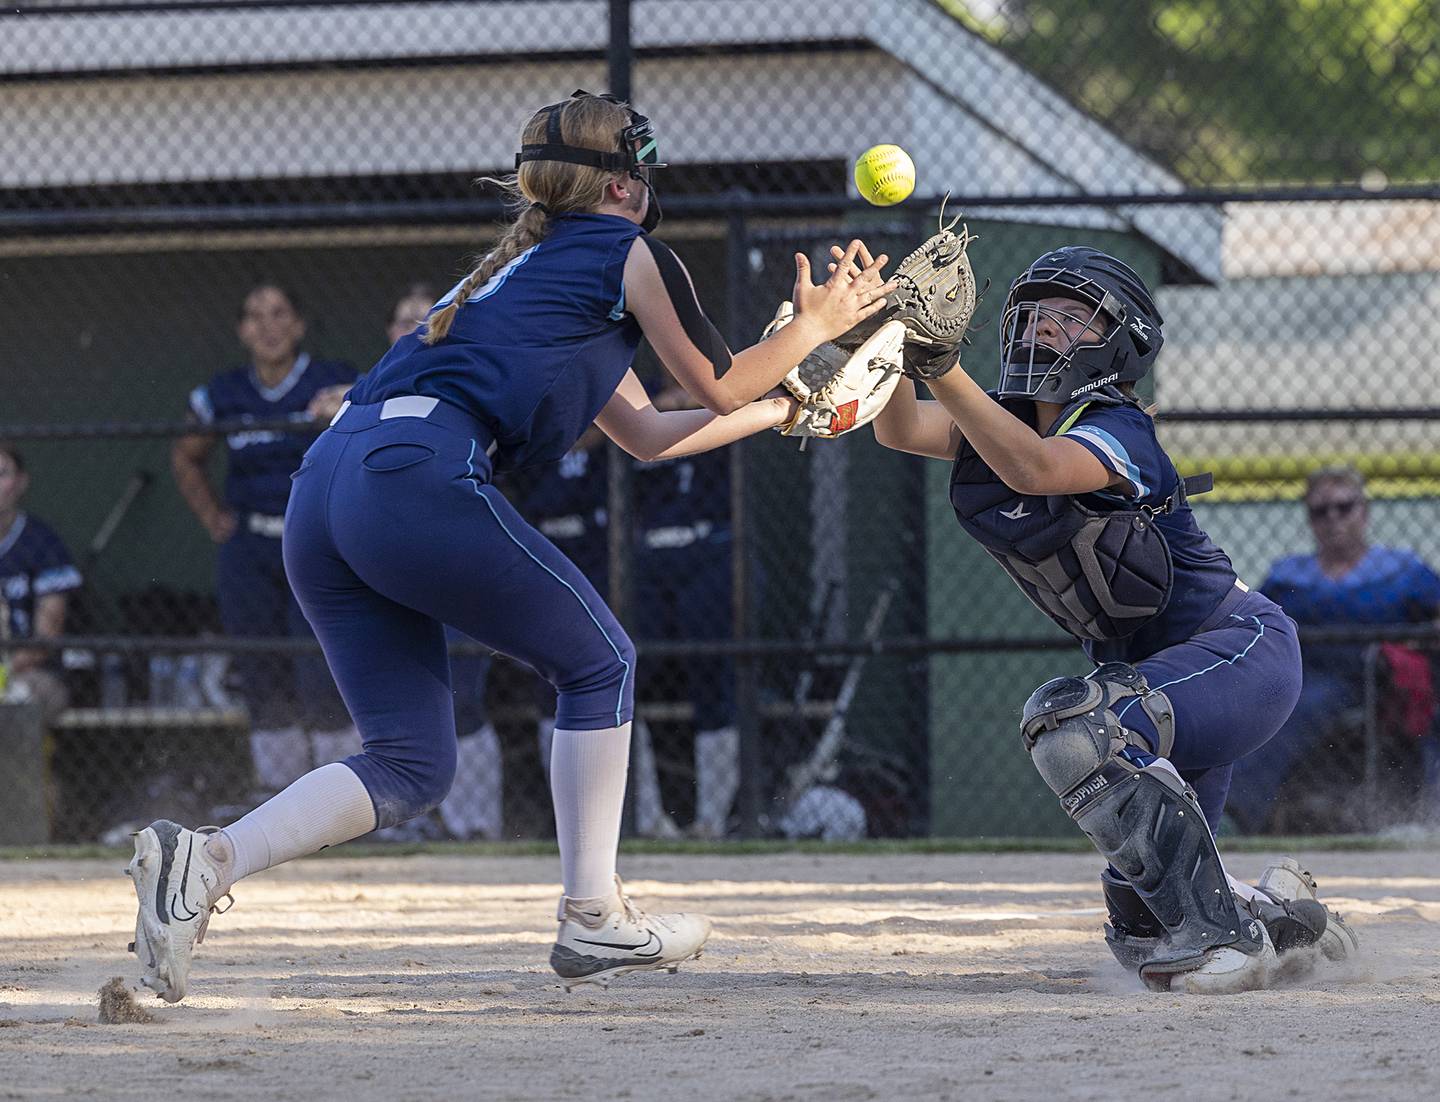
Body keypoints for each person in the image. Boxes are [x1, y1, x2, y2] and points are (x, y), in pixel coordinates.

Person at [127, 90, 895, 1002]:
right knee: (600, 660)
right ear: (625, 184)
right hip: (411, 478)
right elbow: (720, 383)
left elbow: (650, 434)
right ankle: (594, 920)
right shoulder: (625, 248)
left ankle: (203, 866)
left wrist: (790, 404)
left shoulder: (522, 274)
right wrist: (815, 328)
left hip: (327, 489)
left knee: (413, 762)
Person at [868, 243, 1354, 992]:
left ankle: (1229, 935)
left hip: (1236, 656)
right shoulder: (997, 420)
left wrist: (939, 364)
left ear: (1119, 342)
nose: (1044, 328)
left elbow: (1035, 467)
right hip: (1154, 687)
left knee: (1074, 726)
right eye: (1032, 314)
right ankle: (1284, 918)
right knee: (1141, 922)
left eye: (1071, 316)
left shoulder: (1118, 426)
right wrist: (886, 338)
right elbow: (898, 429)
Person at [171, 283, 359, 798]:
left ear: (299, 325)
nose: (269, 326)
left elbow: (374, 434)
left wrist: (345, 405)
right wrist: (214, 518)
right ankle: (280, 793)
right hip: (251, 546)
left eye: (280, 313)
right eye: (255, 316)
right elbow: (185, 455)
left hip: (314, 541)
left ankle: (337, 796)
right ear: (242, 330)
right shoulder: (225, 391)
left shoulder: (328, 381)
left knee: (321, 662)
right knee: (261, 666)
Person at [1227, 466, 1440, 830]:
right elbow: (1256, 624)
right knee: (1279, 707)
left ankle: (1429, 814)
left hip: (1383, 677)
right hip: (1311, 675)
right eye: (1320, 511)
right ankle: (1233, 813)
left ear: (1364, 511)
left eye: (1344, 507)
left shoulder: (1400, 570)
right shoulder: (1291, 574)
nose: (1333, 519)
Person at [0, 443, 82, 721]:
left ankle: (18, 767)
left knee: (21, 698)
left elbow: (47, 636)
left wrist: (5, 670)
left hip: (34, 674)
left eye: (2, 473)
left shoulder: (42, 543)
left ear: (21, 482)